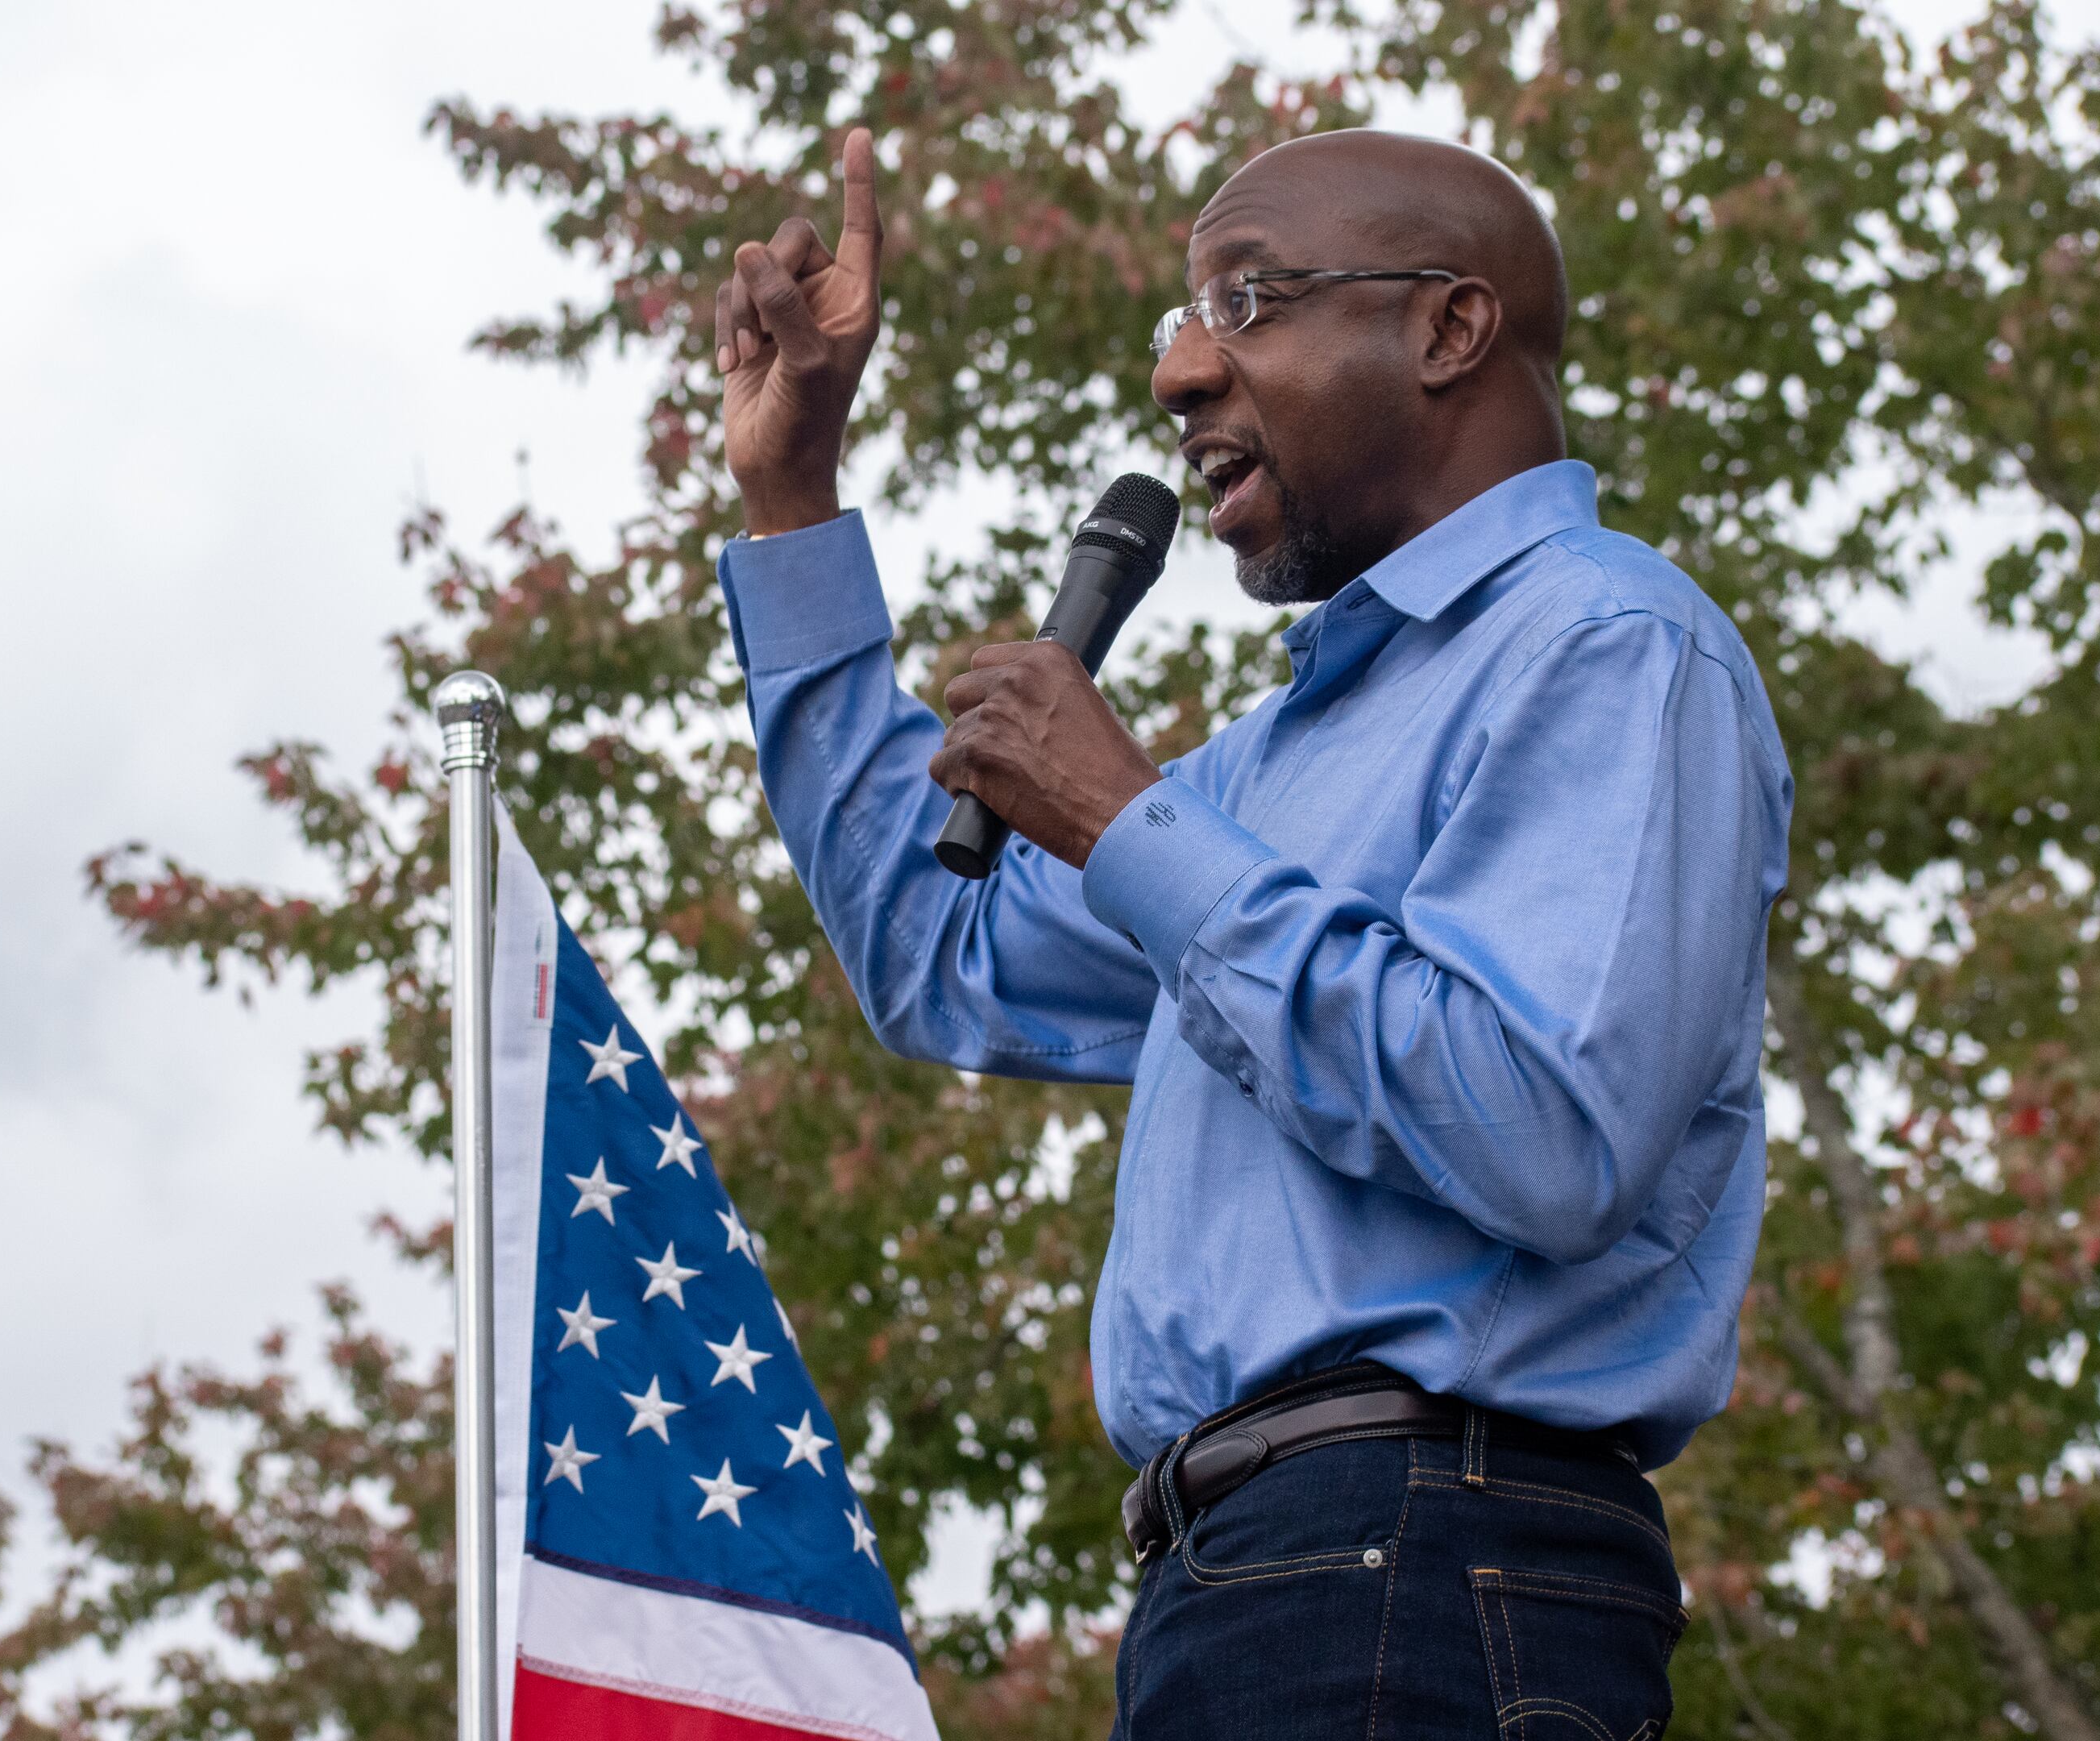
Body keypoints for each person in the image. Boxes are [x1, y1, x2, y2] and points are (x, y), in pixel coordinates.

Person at [708, 126, 1792, 1735]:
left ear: (1448, 328)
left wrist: (1133, 829)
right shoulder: (1266, 769)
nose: (1181, 369)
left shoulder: (1611, 641)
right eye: (1185, 312)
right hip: (1244, 1576)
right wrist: (793, 498)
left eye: (1249, 298)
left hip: (1437, 1550)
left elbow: (1553, 1131)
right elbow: (933, 951)